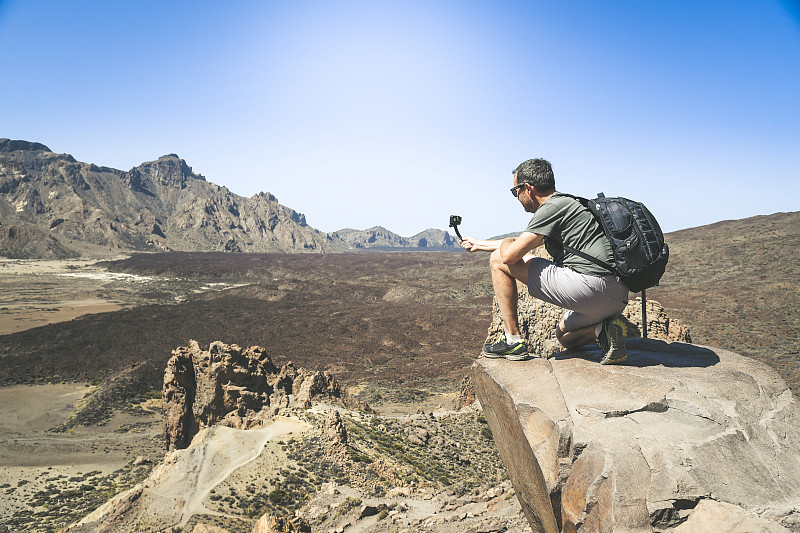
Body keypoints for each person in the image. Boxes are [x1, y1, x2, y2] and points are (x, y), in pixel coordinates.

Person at [460, 158, 629, 364]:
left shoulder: (551, 207)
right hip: (616, 296)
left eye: (516, 192)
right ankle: (604, 330)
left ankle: (512, 341)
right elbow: (525, 246)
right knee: (564, 337)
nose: (517, 197)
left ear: (528, 188)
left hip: (592, 288)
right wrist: (479, 244)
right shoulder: (569, 204)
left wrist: (506, 242)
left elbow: (509, 255)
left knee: (497, 260)